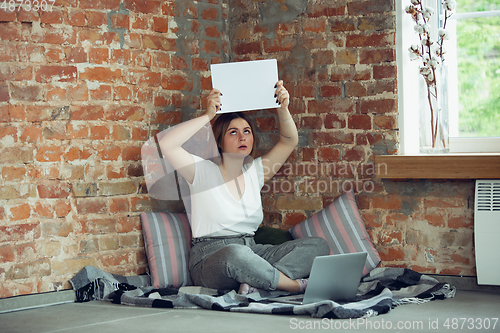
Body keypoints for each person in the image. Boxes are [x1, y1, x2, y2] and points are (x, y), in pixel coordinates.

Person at [159, 80, 330, 294]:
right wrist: (207, 116)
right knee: (236, 255)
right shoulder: (200, 171)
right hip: (212, 259)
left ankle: (257, 282)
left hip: (253, 250)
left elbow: (289, 141)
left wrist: (282, 109)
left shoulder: (255, 172)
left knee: (318, 246)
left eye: (247, 131)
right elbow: (167, 144)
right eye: (233, 132)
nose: (242, 137)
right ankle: (290, 285)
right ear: (219, 141)